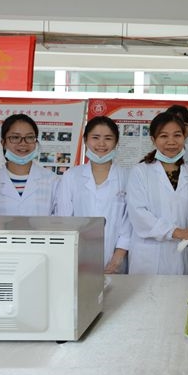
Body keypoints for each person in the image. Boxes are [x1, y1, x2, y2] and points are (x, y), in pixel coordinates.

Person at [126, 112, 188, 275]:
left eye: (177, 135)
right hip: (149, 256)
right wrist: (178, 232)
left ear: (185, 137)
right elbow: (139, 214)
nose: (171, 142)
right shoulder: (140, 172)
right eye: (164, 136)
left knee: (181, 292)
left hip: (183, 254)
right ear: (153, 139)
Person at [55, 116, 131, 273]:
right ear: (85, 140)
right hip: (77, 256)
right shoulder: (71, 176)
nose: (101, 144)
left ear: (116, 142)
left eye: (108, 138)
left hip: (116, 258)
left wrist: (117, 257)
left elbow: (129, 221)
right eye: (95, 137)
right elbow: (64, 219)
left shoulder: (127, 177)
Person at [0, 114, 58, 216]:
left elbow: (61, 221)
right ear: (3, 143)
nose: (23, 143)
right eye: (15, 137)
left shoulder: (53, 181)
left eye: (29, 137)